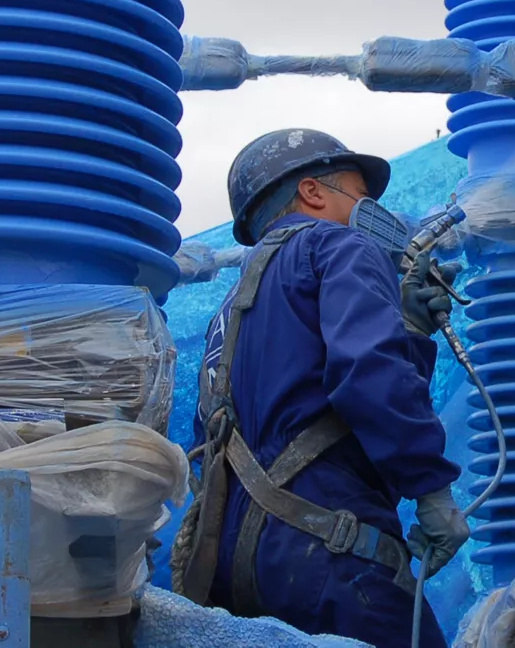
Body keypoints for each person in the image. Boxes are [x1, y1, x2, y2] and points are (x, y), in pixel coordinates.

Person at [172, 128, 470, 648]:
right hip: (330, 550)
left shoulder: (231, 311)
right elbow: (370, 374)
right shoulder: (338, 243)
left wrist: (412, 334)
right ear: (312, 192)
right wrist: (430, 488)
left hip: (234, 563)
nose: (374, 212)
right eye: (363, 196)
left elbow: (293, 401)